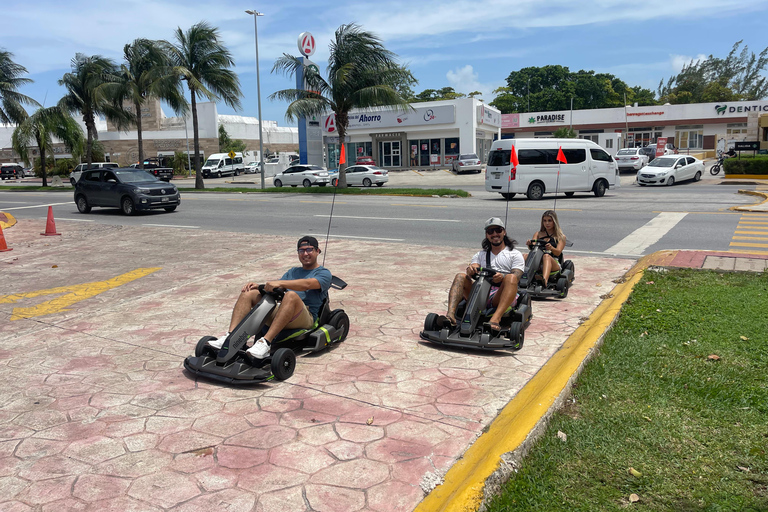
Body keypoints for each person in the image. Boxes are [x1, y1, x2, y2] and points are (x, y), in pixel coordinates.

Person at [207, 236, 332, 358]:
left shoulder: (324, 273)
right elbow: (278, 288)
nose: (305, 254)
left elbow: (307, 284)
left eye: (309, 249)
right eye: (301, 250)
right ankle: (230, 337)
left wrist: (280, 283)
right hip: (284, 311)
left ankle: (265, 343)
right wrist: (260, 286)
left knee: (291, 295)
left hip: (305, 318)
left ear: (317, 251)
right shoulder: (293, 271)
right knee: (248, 293)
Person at [443, 217, 524, 332]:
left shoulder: (514, 254)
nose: (494, 234)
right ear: (487, 235)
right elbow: (474, 265)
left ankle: (495, 319)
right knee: (460, 276)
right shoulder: (480, 254)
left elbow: (517, 275)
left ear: (504, 232)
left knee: (511, 277)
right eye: (490, 232)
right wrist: (471, 270)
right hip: (481, 293)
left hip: (500, 293)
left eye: (498, 230)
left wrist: (502, 277)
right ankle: (450, 315)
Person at [524, 210, 566, 288]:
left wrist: (552, 248)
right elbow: (532, 248)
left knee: (546, 256)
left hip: (553, 262)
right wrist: (530, 244)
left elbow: (558, 253)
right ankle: (519, 278)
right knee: (525, 256)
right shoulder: (538, 234)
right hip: (538, 262)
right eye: (545, 221)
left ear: (554, 221)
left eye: (549, 221)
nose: (547, 223)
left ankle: (544, 281)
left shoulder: (561, 237)